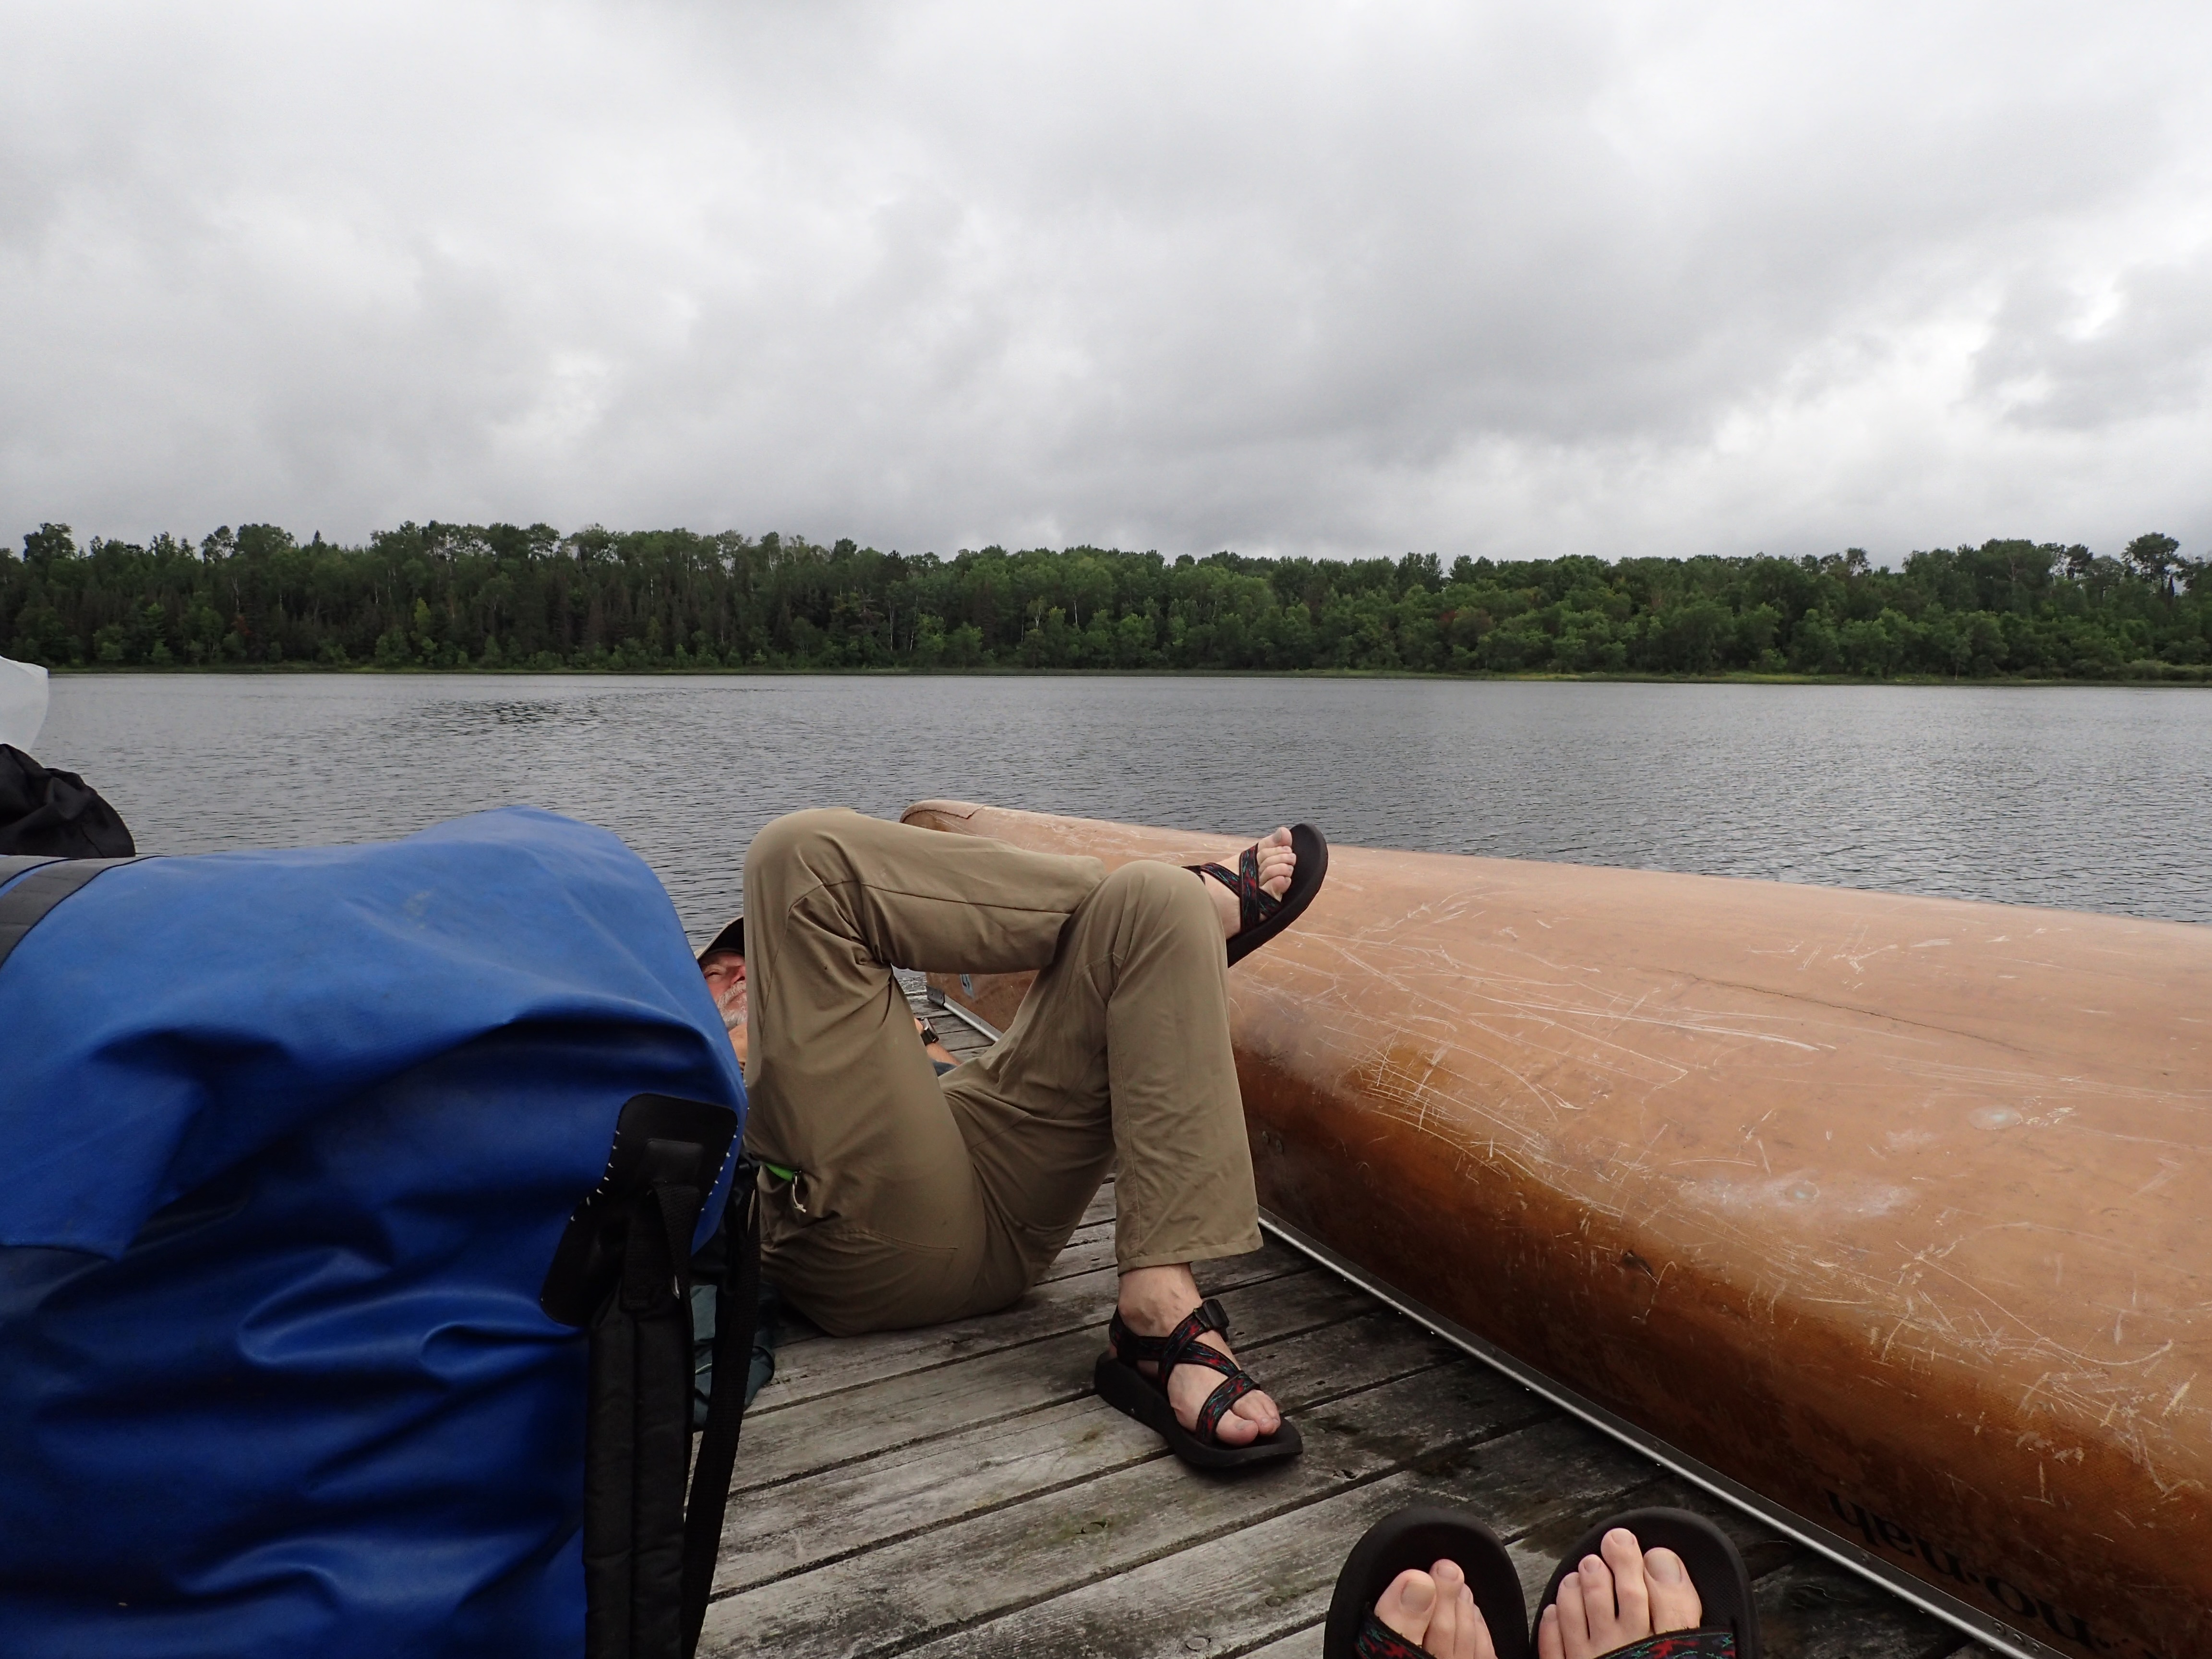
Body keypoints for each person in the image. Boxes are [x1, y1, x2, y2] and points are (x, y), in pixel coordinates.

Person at [697, 807, 1326, 1467]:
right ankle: (1182, 903)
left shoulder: (853, 1023)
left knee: (1151, 901)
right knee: (795, 859)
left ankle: (1155, 1306)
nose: (742, 975)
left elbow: (924, 1065)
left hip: (978, 1182)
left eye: (750, 961)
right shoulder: (695, 1037)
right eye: (720, 969)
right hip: (859, 1231)